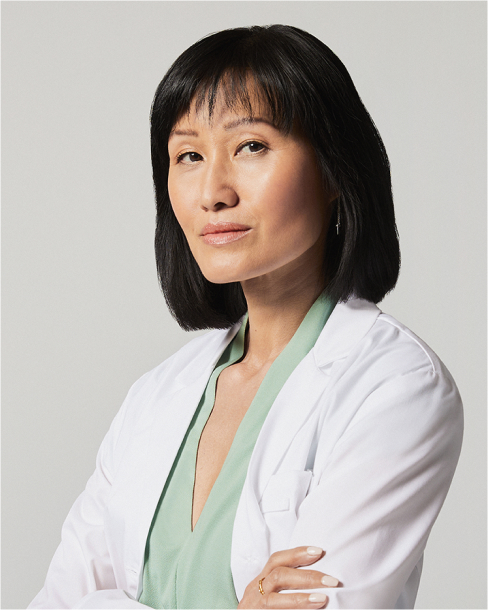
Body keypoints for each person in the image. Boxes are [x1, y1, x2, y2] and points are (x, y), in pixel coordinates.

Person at [29, 24, 463, 610]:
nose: (213, 192)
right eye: (188, 155)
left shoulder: (396, 386)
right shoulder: (154, 397)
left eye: (251, 146)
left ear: (334, 170)